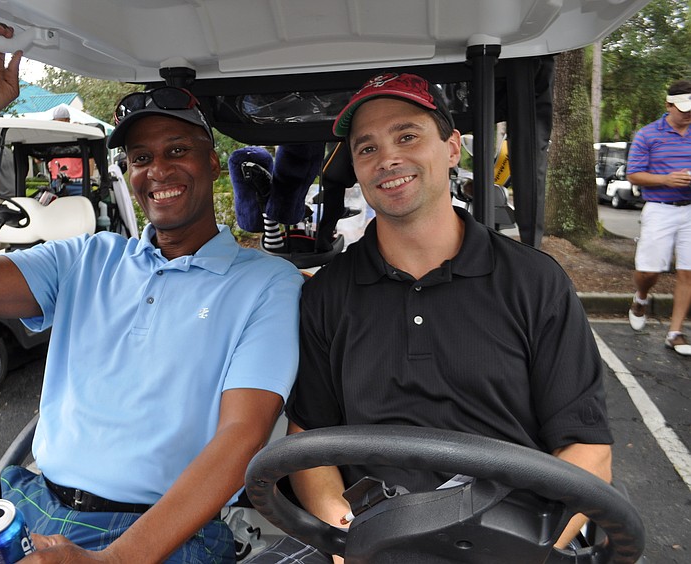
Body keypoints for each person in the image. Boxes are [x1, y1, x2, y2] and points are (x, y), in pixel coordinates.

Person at [0, 21, 303, 564]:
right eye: (140, 158)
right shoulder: (88, 256)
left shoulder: (267, 282)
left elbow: (241, 438)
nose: (158, 171)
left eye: (177, 150)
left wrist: (116, 560)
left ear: (209, 161)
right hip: (29, 504)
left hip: (163, 533)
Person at [248, 72, 613, 563]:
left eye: (407, 136)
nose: (388, 159)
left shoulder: (535, 283)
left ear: (452, 148)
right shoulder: (327, 296)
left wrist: (529, 548)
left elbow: (588, 450)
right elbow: (310, 443)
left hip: (514, 538)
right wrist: (346, 541)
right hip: (373, 536)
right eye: (367, 148)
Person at [626, 80, 691, 355]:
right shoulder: (648, 134)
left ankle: (675, 331)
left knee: (688, 272)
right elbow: (633, 174)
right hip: (659, 208)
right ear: (668, 105)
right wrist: (666, 179)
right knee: (648, 271)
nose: (688, 113)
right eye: (683, 108)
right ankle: (641, 298)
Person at [48, 105, 85, 184]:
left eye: (60, 121)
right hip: (57, 180)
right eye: (55, 121)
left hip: (77, 180)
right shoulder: (52, 138)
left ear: (67, 120)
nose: (57, 124)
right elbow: (38, 160)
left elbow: (89, 158)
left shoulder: (77, 135)